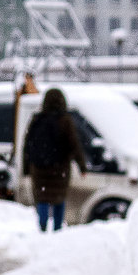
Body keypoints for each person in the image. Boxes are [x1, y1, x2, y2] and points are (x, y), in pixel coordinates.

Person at [21, 88, 89, 232]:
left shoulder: (37, 118)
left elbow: (27, 144)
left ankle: (42, 226)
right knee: (59, 198)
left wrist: (26, 168)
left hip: (38, 168)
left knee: (42, 198)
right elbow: (74, 144)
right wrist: (82, 166)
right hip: (60, 168)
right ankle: (57, 229)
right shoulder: (65, 120)